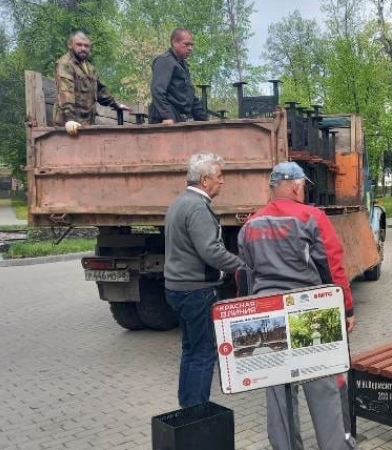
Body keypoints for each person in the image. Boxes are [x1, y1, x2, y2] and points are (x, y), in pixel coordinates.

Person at [238, 161, 356, 450]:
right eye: (303, 185)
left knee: (277, 392)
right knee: (323, 386)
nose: (303, 190)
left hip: (267, 318)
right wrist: (347, 309)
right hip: (309, 313)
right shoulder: (311, 217)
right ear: (295, 185)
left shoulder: (250, 224)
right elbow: (332, 267)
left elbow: (243, 274)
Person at [164, 152, 243, 408]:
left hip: (178, 288)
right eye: (219, 176)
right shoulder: (197, 207)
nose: (223, 182)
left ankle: (187, 408)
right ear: (205, 179)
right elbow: (210, 251)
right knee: (204, 353)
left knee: (191, 350)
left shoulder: (180, 202)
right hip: (196, 291)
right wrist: (241, 265)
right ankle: (197, 412)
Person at [53, 31, 130, 135]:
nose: (83, 48)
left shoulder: (89, 67)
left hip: (86, 124)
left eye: (86, 46)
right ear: (70, 45)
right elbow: (66, 92)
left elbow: (100, 90)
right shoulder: (66, 64)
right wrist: (70, 120)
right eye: (79, 45)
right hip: (69, 127)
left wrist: (115, 104)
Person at [149, 28, 209, 124]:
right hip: (164, 120)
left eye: (191, 45)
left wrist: (205, 121)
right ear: (175, 43)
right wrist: (167, 116)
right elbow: (157, 90)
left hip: (178, 118)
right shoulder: (165, 61)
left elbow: (190, 97)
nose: (190, 48)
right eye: (186, 44)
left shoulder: (182, 65)